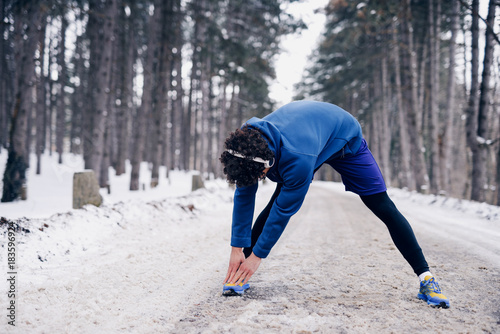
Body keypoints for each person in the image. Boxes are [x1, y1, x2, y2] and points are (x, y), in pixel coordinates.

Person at [220, 100, 449, 308]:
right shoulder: (245, 146)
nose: (261, 178)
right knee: (274, 200)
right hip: (303, 138)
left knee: (382, 205)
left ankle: (426, 277)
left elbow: (282, 212)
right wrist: (236, 249)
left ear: (268, 161)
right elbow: (244, 195)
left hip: (344, 140)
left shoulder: (297, 160)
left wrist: (257, 257)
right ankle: (240, 272)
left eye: (262, 175)